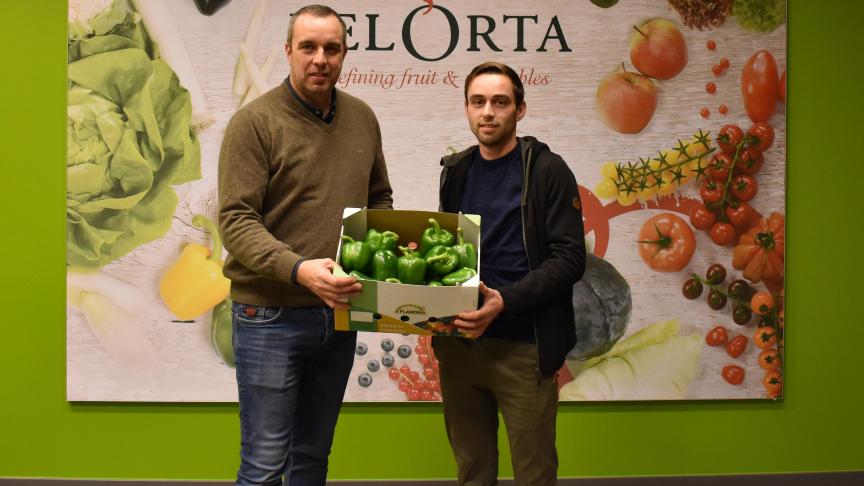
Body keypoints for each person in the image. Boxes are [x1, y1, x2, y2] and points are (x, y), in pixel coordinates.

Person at [217, 5, 393, 485]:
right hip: (269, 315)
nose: (320, 58)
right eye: (309, 47)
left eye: (331, 48)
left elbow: (379, 196)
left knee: (312, 458)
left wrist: (375, 261)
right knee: (265, 464)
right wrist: (299, 270)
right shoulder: (253, 123)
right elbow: (235, 220)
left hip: (338, 314)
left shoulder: (362, 117)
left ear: (344, 54)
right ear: (288, 51)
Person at [433, 62, 586, 486]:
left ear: (519, 109)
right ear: (466, 107)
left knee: (534, 474)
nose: (488, 112)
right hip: (461, 345)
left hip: (524, 347)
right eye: (478, 102)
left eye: (500, 102)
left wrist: (506, 301)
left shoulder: (547, 171)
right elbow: (449, 254)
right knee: (472, 471)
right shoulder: (456, 171)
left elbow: (570, 258)